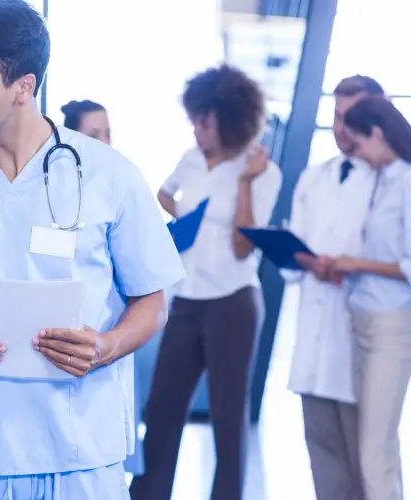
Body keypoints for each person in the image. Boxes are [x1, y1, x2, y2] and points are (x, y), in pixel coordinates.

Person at [0, 1, 186, 499]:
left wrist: (106, 346)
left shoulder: (110, 175)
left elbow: (152, 303)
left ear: (23, 87)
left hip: (81, 451)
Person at [131, 64, 282, 500]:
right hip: (186, 298)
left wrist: (248, 184)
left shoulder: (260, 170)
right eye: (194, 119)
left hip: (233, 302)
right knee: (161, 409)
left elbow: (242, 247)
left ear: (231, 120)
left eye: (205, 121)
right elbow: (163, 193)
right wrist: (185, 220)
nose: (197, 128)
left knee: (228, 415)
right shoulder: (191, 159)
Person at [284, 75, 383, 500]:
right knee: (322, 458)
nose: (343, 128)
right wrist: (302, 258)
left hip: (364, 341)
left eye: (352, 117)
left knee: (369, 464)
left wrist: (343, 266)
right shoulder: (313, 176)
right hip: (314, 338)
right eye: (336, 117)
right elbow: (293, 261)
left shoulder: (393, 179)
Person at [325, 96, 411, 500]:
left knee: (374, 447)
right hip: (360, 321)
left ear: (378, 133)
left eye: (358, 145)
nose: (358, 155)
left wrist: (356, 263)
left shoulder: (408, 180)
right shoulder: (382, 178)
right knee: (373, 443)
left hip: (390, 326)